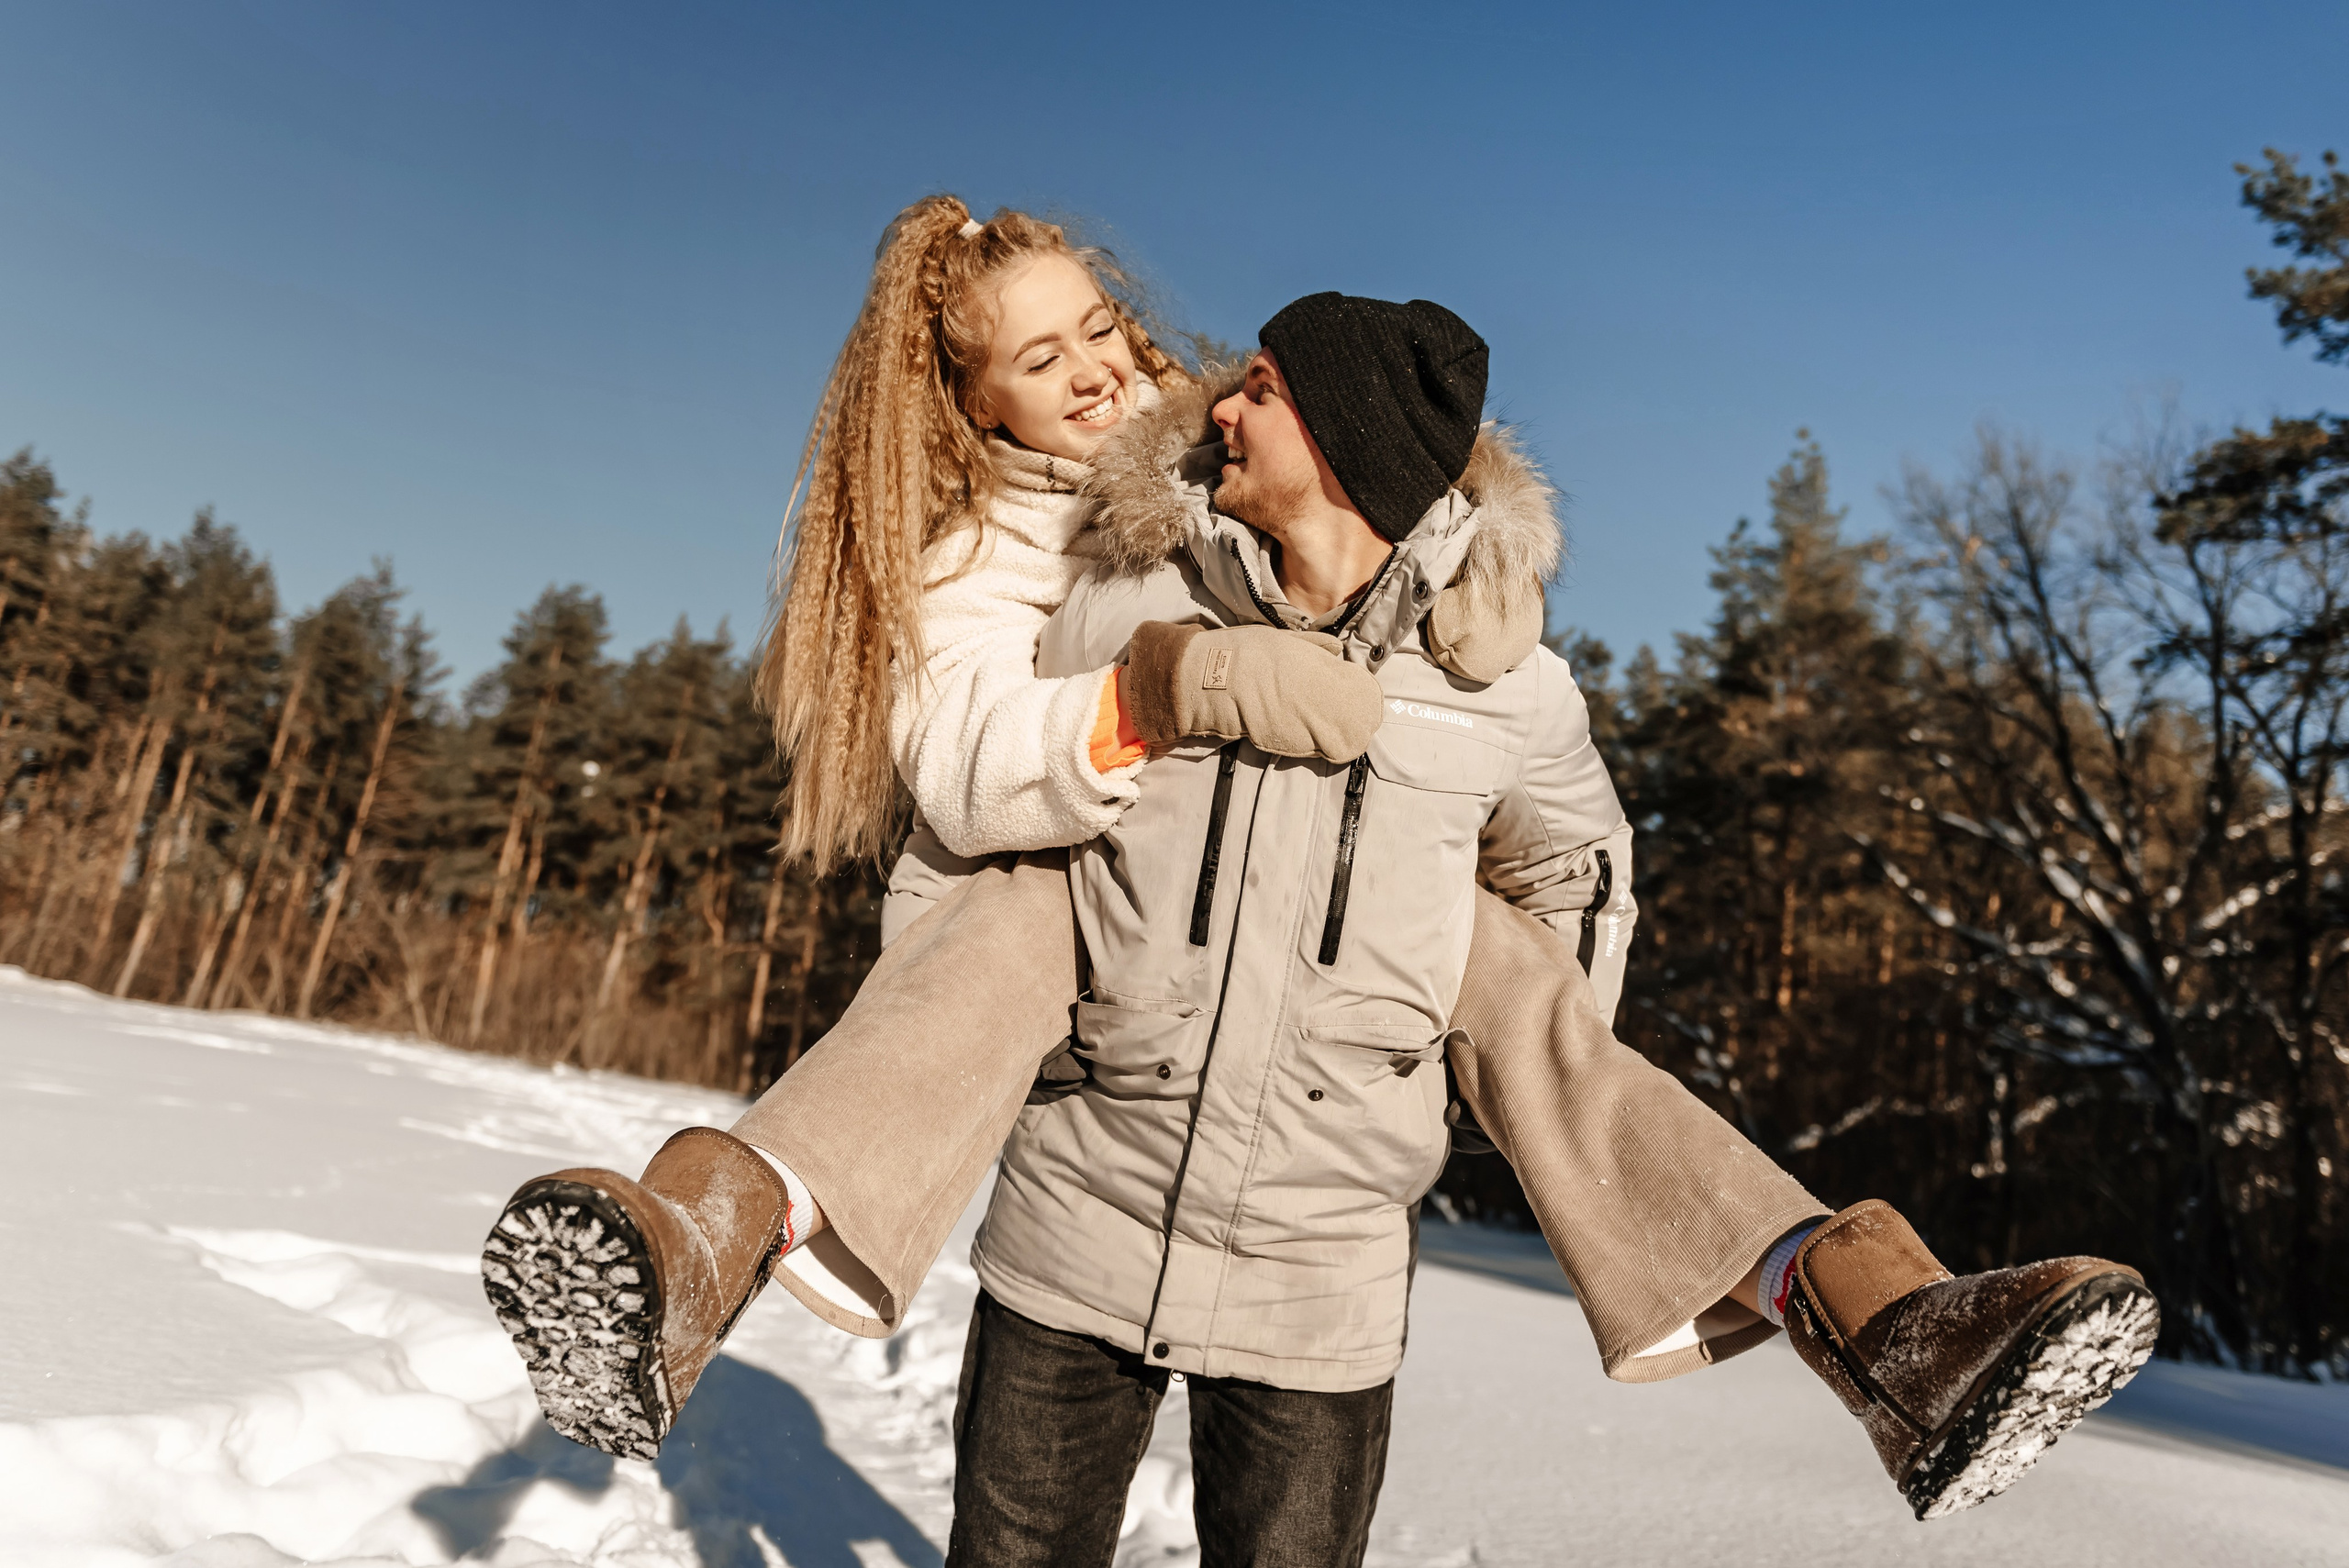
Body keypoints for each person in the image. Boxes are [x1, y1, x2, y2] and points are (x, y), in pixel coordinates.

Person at [480, 202, 2157, 1536]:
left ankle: (1887, 1320)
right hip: (1090, 1179)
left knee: (1495, 960)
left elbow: (1574, 835)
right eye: (1040, 356)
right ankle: (705, 1238)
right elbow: (967, 770)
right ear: (973, 401)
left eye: (1112, 336)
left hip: (1321, 1265)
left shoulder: (1480, 652)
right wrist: (1158, 685)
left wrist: (1457, 1025)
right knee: (1024, 896)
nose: (1159, 382)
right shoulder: (1101, 582)